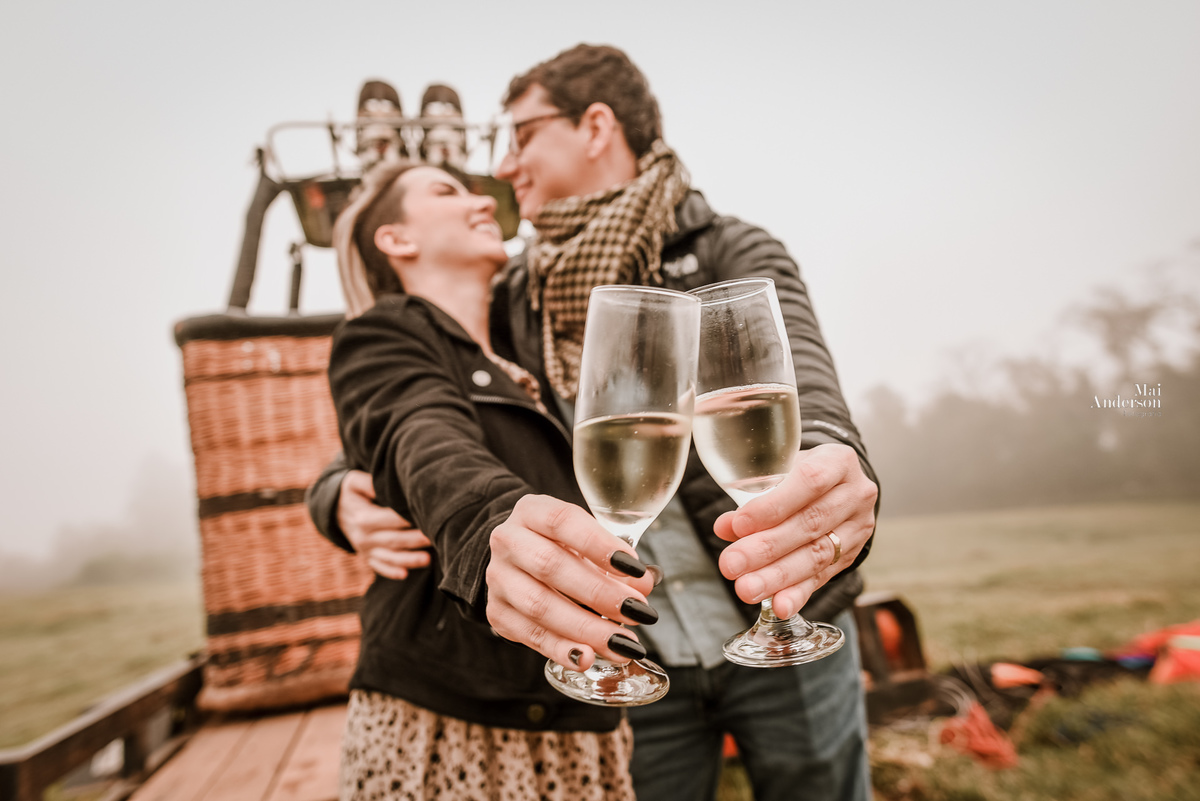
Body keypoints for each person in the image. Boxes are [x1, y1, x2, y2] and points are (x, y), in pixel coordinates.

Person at [310, 44, 880, 801]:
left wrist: (830, 456)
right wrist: (336, 491)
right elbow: (419, 414)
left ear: (595, 127)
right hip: (636, 653)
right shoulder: (513, 296)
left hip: (777, 618)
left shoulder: (726, 250)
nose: (504, 167)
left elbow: (799, 383)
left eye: (521, 136)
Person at [325, 159, 653, 800]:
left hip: (579, 713)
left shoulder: (534, 352)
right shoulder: (380, 338)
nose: (483, 202)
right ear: (396, 238)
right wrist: (489, 527)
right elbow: (420, 438)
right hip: (445, 713)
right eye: (446, 191)